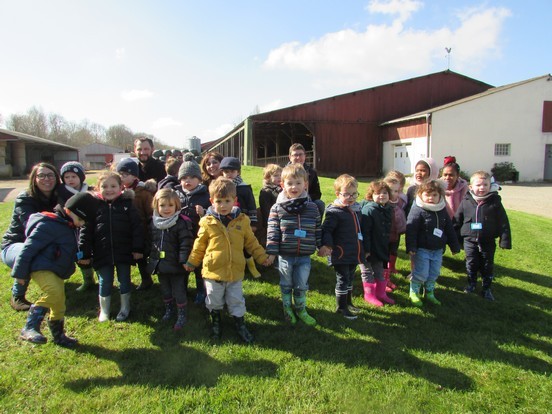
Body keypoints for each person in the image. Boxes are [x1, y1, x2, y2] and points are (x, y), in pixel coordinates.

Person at [184, 178, 272, 344]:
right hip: (213, 271)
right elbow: (199, 244)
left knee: (236, 299)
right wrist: (192, 262)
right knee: (213, 300)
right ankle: (216, 322)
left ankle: (240, 324)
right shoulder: (207, 222)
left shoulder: (242, 221)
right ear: (211, 201)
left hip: (235, 271)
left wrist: (262, 257)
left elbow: (251, 242)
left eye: (227, 201)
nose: (223, 205)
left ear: (234, 201)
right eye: (218, 201)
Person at [14, 192, 100, 347]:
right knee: (53, 293)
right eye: (80, 219)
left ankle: (59, 335)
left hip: (56, 270)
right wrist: (19, 273)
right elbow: (28, 249)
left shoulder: (70, 226)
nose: (81, 224)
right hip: (42, 268)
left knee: (59, 302)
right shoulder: (49, 224)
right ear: (69, 211)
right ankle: (30, 326)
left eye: (83, 222)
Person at [78, 171, 144, 322]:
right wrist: (84, 253)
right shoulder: (94, 207)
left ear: (121, 187)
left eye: (113, 186)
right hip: (102, 252)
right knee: (105, 280)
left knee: (124, 280)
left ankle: (125, 307)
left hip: (123, 251)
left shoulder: (128, 205)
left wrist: (138, 249)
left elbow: (137, 228)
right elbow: (85, 232)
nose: (109, 190)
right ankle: (105, 310)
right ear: (97, 188)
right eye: (104, 186)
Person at [266, 163, 321, 326]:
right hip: (285, 256)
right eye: (290, 183)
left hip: (304, 256)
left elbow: (318, 228)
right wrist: (271, 252)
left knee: (301, 285)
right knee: (286, 284)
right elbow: (272, 231)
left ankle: (301, 309)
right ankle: (287, 308)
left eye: (298, 183)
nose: (294, 187)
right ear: (282, 185)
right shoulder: (277, 208)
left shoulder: (312, 208)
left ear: (306, 184)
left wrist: (322, 245)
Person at [2, 162, 60, 311]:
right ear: (34, 179)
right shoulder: (25, 198)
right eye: (41, 175)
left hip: (44, 242)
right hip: (16, 244)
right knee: (29, 252)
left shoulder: (59, 196)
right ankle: (18, 296)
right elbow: (32, 227)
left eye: (50, 175)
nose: (46, 179)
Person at [454, 171, 511, 301]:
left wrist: (505, 240)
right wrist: (454, 238)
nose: (482, 188)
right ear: (470, 187)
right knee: (471, 263)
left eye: (485, 184)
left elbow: (503, 222)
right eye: (478, 185)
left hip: (488, 240)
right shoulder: (466, 201)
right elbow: (457, 220)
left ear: (490, 185)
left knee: (487, 264)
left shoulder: (495, 202)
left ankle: (486, 288)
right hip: (469, 240)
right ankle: (471, 284)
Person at [406, 180, 460, 307]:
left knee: (434, 272)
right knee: (421, 272)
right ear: (420, 195)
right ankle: (413, 292)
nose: (430, 198)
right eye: (427, 194)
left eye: (434, 195)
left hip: (437, 249)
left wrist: (454, 245)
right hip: (422, 249)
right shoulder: (418, 210)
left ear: (440, 196)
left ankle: (429, 292)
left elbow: (449, 229)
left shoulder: (442, 210)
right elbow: (411, 229)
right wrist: (411, 247)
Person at [319, 174, 366, 320]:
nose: (351, 197)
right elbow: (326, 230)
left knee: (351, 277)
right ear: (338, 194)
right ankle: (341, 307)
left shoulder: (356, 209)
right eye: (346, 194)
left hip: (354, 251)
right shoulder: (335, 212)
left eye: (354, 194)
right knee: (343, 279)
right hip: (341, 253)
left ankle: (349, 302)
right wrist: (327, 245)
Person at [148, 189, 194, 330]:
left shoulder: (181, 223)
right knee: (165, 289)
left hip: (176, 265)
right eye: (162, 206)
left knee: (179, 291)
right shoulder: (154, 222)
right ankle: (169, 309)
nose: (166, 209)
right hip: (160, 264)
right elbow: (151, 241)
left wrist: (183, 260)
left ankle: (181, 314)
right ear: (156, 206)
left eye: (170, 205)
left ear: (177, 206)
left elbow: (186, 243)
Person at [174, 154, 212, 304]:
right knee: (181, 266)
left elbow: (213, 215)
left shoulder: (205, 195)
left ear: (199, 179)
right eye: (184, 178)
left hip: (198, 238)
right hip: (180, 239)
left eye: (191, 177)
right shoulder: (175, 194)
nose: (187, 181)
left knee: (198, 267)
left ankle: (201, 291)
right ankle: (181, 289)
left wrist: (204, 213)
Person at [116, 158, 157, 291]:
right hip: (127, 231)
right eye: (120, 174)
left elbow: (150, 212)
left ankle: (146, 279)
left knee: (142, 257)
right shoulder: (119, 192)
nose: (122, 177)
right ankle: (126, 281)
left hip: (142, 231)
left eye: (125, 175)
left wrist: (149, 229)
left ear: (134, 175)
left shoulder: (143, 193)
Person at [57, 161, 98, 293]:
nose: (70, 180)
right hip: (73, 228)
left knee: (95, 252)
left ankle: (100, 277)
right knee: (80, 254)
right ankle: (87, 279)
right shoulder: (62, 193)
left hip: (91, 227)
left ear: (81, 177)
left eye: (74, 176)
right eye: (67, 177)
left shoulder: (90, 190)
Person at [220, 157, 261, 278]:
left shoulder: (244, 188)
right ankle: (232, 266)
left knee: (246, 245)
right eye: (226, 172)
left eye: (232, 171)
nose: (229, 174)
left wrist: (253, 223)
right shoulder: (221, 187)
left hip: (243, 221)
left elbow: (251, 205)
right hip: (226, 222)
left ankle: (251, 266)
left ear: (238, 172)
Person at [360, 180, 395, 307]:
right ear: (371, 195)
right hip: (368, 248)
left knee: (380, 271)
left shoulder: (388, 209)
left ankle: (381, 293)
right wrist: (366, 249)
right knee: (367, 271)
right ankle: (369, 295)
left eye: (385, 193)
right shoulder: (369, 210)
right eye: (378, 193)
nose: (382, 195)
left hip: (380, 248)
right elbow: (365, 232)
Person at [288, 143, 324, 217]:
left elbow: (317, 193)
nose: (298, 157)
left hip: (307, 199)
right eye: (295, 155)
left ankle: (316, 226)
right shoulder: (284, 172)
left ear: (305, 156)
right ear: (290, 157)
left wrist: (305, 198)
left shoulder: (312, 172)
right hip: (288, 199)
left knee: (319, 203)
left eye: (301, 154)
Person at [383, 175, 407, 282]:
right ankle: (385, 278)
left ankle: (391, 268)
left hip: (396, 232)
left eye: (396, 191)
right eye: (391, 190)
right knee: (384, 255)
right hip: (385, 234)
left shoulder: (400, 202)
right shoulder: (383, 203)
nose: (394, 193)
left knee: (394, 250)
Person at [258, 164, 283, 239]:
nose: (279, 177)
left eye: (280, 175)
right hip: (273, 222)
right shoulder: (266, 191)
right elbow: (266, 210)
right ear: (268, 178)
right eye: (276, 175)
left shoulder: (282, 189)